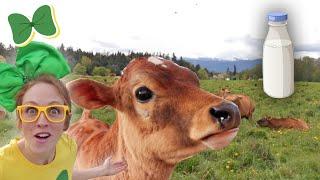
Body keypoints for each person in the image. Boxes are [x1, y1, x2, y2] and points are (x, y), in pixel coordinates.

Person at [0, 42, 127, 180]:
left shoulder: (68, 146)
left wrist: (102, 171)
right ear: (20, 118)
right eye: (31, 110)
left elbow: (63, 173)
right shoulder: (3, 166)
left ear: (66, 121)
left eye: (54, 111)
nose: (42, 122)